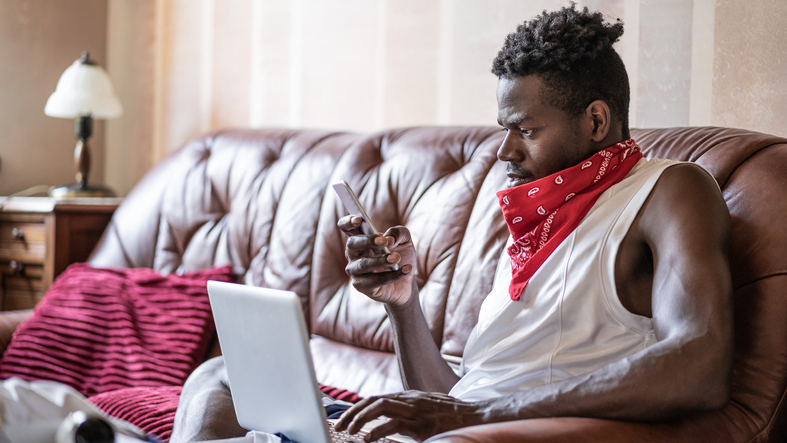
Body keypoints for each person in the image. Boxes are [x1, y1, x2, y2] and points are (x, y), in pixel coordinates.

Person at [171, 4, 732, 442]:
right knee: (219, 378)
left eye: (526, 130)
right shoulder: (534, 221)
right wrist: (402, 302)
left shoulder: (668, 190)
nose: (503, 150)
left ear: (596, 119)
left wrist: (479, 414)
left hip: (504, 434)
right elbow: (451, 398)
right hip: (464, 427)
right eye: (503, 128)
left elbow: (700, 365)